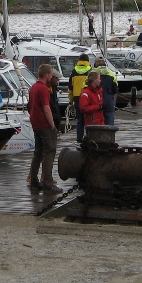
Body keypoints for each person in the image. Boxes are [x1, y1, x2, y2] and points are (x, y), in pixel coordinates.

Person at [27, 64, 62, 193]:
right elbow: (47, 109)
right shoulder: (43, 89)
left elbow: (30, 106)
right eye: (51, 74)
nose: (52, 77)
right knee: (50, 151)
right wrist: (53, 126)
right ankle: (47, 182)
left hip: (35, 124)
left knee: (38, 152)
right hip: (44, 124)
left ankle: (34, 180)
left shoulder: (33, 87)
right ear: (46, 74)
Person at [69, 54, 93, 141]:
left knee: (80, 120)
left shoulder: (74, 71)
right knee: (89, 119)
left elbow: (70, 87)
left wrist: (71, 100)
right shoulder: (90, 70)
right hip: (87, 97)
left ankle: (79, 139)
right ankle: (89, 138)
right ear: (87, 60)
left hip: (77, 97)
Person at [93, 56, 118, 125]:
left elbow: (86, 87)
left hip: (96, 102)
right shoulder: (112, 73)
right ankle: (109, 135)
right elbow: (115, 89)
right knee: (109, 122)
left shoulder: (92, 74)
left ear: (96, 63)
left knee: (97, 125)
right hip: (109, 101)